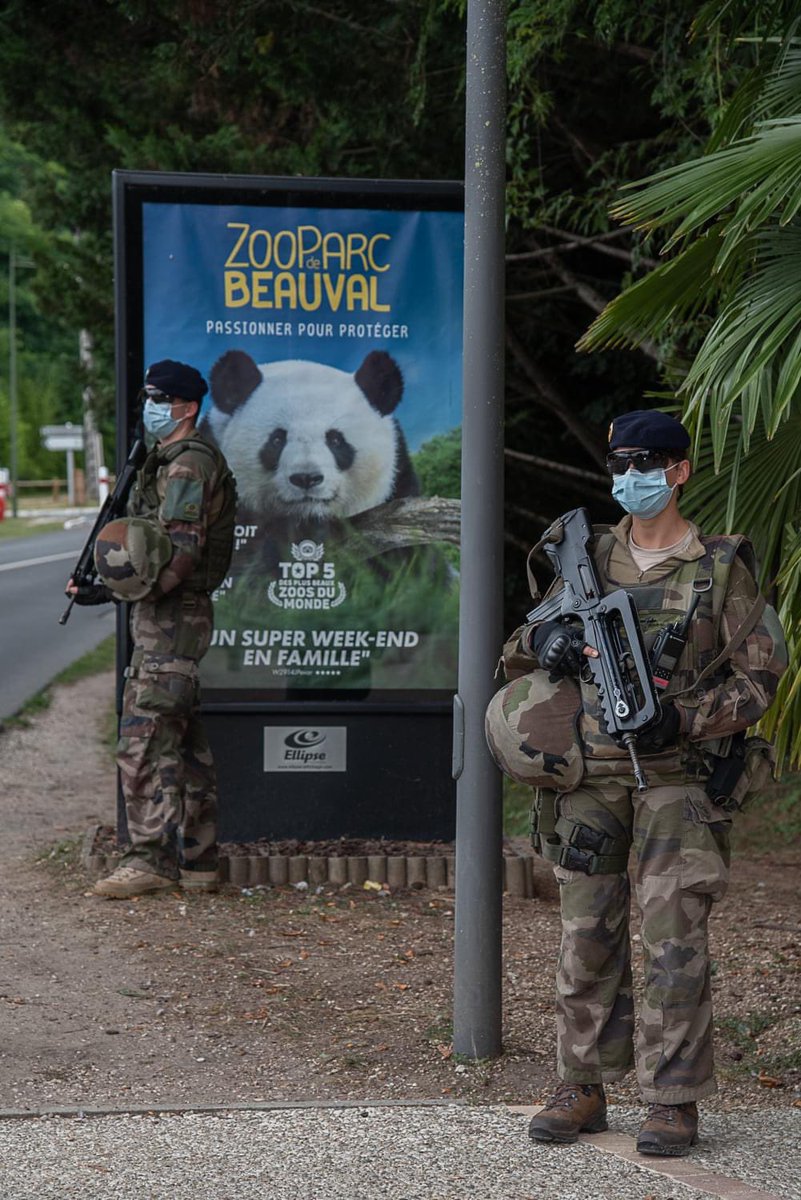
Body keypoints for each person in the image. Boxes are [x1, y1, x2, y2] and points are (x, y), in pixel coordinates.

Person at [515, 410, 787, 1156]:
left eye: (642, 464)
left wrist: (688, 718)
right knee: (585, 931)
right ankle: (581, 1083)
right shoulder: (586, 557)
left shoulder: (720, 566)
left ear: (676, 472)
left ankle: (671, 1099)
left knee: (673, 937)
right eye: (617, 466)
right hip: (587, 774)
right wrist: (551, 637)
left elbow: (761, 674)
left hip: (678, 778)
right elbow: (519, 645)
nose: (625, 478)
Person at [68, 360, 236, 899]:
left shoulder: (187, 465)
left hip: (171, 616)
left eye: (160, 399)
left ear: (187, 408)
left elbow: (181, 552)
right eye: (147, 398)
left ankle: (149, 860)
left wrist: (116, 590)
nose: (151, 408)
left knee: (143, 736)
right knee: (184, 743)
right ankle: (199, 861)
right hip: (172, 617)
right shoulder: (169, 459)